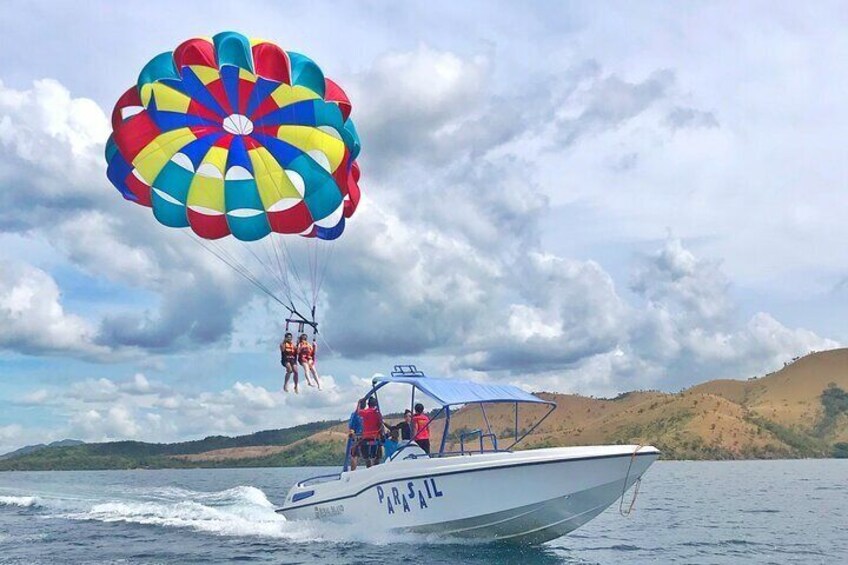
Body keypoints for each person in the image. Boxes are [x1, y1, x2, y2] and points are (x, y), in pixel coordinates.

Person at [357, 396, 384, 468]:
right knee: (376, 455)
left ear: (368, 404)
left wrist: (359, 403)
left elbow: (358, 411)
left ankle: (368, 465)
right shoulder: (377, 413)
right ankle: (374, 466)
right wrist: (382, 435)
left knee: (366, 456)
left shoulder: (365, 412)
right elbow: (380, 425)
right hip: (375, 437)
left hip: (366, 437)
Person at [347, 399, 366, 471]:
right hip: (362, 436)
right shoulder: (362, 414)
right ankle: (353, 471)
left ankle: (353, 472)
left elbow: (351, 426)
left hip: (358, 437)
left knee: (354, 455)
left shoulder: (356, 414)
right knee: (355, 455)